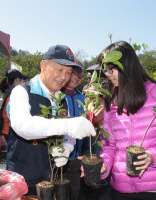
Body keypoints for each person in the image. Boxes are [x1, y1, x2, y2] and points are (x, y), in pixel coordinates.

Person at [98, 41, 156, 200]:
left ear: (126, 66)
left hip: (154, 189)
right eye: (105, 70)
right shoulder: (111, 103)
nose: (107, 75)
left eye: (111, 69)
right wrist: (104, 164)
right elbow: (109, 145)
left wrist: (153, 155)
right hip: (119, 189)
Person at [6, 45, 96, 195]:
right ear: (43, 65)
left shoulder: (62, 99)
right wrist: (66, 125)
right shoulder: (22, 92)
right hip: (23, 180)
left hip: (53, 178)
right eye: (59, 70)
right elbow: (23, 125)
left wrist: (67, 146)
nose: (63, 77)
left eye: (68, 72)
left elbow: (69, 134)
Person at [61, 58, 89, 200]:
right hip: (59, 157)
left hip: (76, 158)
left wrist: (84, 151)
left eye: (80, 73)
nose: (78, 77)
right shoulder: (57, 94)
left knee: (75, 192)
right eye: (74, 72)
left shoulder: (80, 96)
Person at [0, 69, 29, 138]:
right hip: (11, 130)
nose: (24, 82)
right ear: (17, 80)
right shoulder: (15, 93)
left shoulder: (8, 92)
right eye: (22, 80)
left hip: (6, 128)